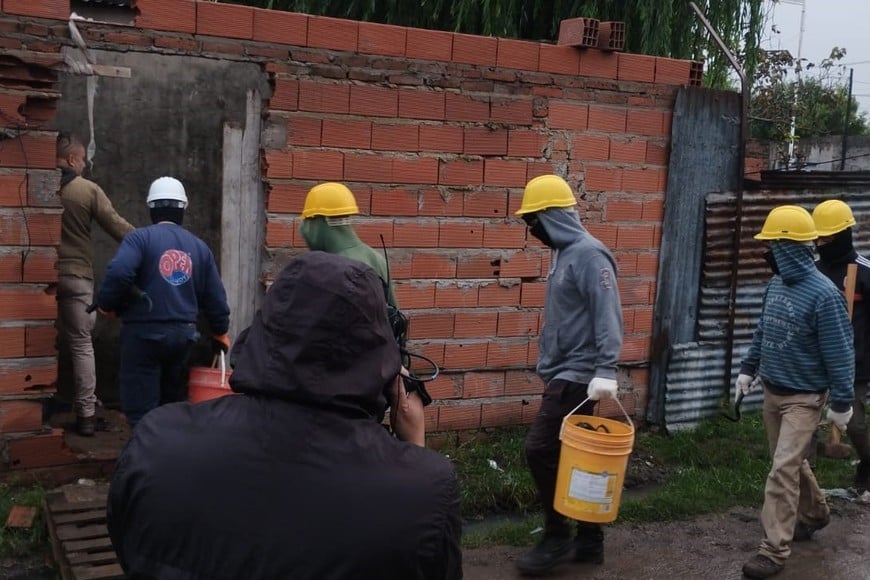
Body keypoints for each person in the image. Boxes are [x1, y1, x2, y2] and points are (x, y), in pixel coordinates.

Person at [107, 252, 462, 580]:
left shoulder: (156, 441)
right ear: (382, 361)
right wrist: (414, 450)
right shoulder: (423, 492)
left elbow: (129, 546)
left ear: (265, 331)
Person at [513, 174, 624, 576]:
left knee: (540, 449)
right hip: (562, 372)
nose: (532, 230)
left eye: (535, 221)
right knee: (573, 454)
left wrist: (606, 369)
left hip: (579, 376)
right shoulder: (564, 253)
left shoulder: (591, 255)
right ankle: (590, 541)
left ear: (554, 216)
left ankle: (558, 534)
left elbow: (608, 315)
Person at [736, 205, 855, 579]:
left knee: (781, 470)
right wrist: (747, 368)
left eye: (772, 245)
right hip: (773, 391)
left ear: (788, 248)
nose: (767, 252)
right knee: (788, 464)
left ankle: (773, 551)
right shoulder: (776, 285)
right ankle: (817, 513)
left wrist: (842, 403)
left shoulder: (824, 295)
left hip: (804, 399)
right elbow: (764, 330)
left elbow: (840, 354)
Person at [298, 182, 428, 446]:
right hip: (381, 370)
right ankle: (417, 463)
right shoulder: (374, 257)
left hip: (339, 384)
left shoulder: (322, 268)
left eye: (305, 222)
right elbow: (397, 318)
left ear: (318, 222)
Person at [95, 177, 230, 429]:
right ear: (183, 209)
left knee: (141, 413)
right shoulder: (199, 248)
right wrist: (220, 331)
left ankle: (142, 463)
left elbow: (119, 272)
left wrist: (106, 303)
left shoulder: (139, 239)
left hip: (143, 335)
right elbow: (216, 298)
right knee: (171, 408)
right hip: (182, 337)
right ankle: (169, 462)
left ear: (151, 208)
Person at [55, 132, 135, 436]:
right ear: (74, 159)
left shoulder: (35, 184)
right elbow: (119, 228)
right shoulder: (86, 190)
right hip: (76, 277)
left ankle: (35, 405)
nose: (85, 165)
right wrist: (152, 242)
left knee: (35, 337)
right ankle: (86, 415)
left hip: (38, 276)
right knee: (80, 343)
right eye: (83, 159)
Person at [812, 199, 870, 493]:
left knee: (856, 424)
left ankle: (868, 463)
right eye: (818, 238)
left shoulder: (865, 271)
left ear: (844, 235)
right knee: (805, 423)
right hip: (815, 364)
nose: (821, 243)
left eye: (828, 238)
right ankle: (803, 479)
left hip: (854, 364)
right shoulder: (813, 272)